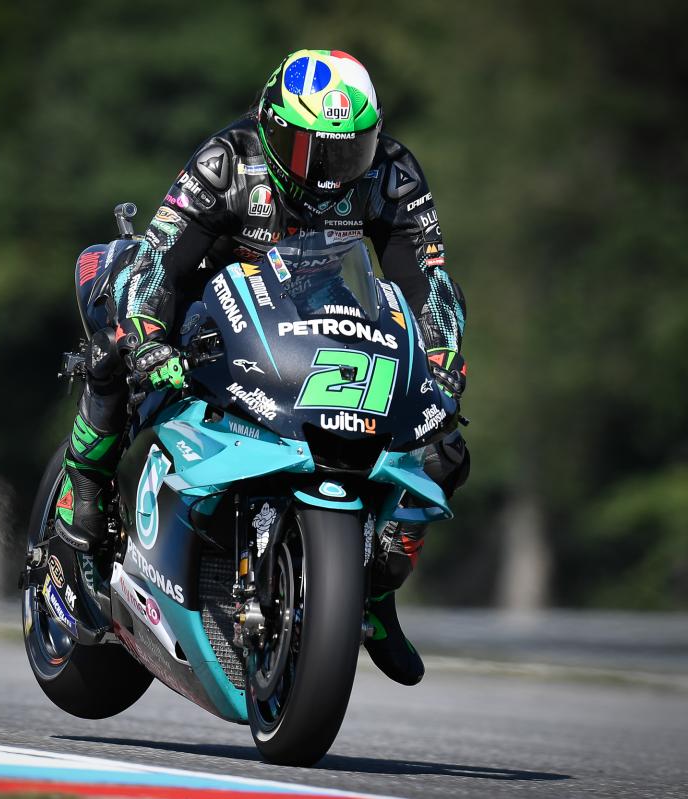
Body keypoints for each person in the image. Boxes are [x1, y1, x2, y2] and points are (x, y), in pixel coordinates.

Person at [54, 50, 469, 686]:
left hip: (319, 309)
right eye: (312, 151)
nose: (331, 172)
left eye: (349, 152)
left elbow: (428, 283)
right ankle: (82, 499)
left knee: (442, 449)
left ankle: (375, 593)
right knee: (116, 348)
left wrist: (440, 362)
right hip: (207, 296)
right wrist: (146, 336)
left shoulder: (392, 174)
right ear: (272, 130)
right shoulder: (228, 161)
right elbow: (162, 256)